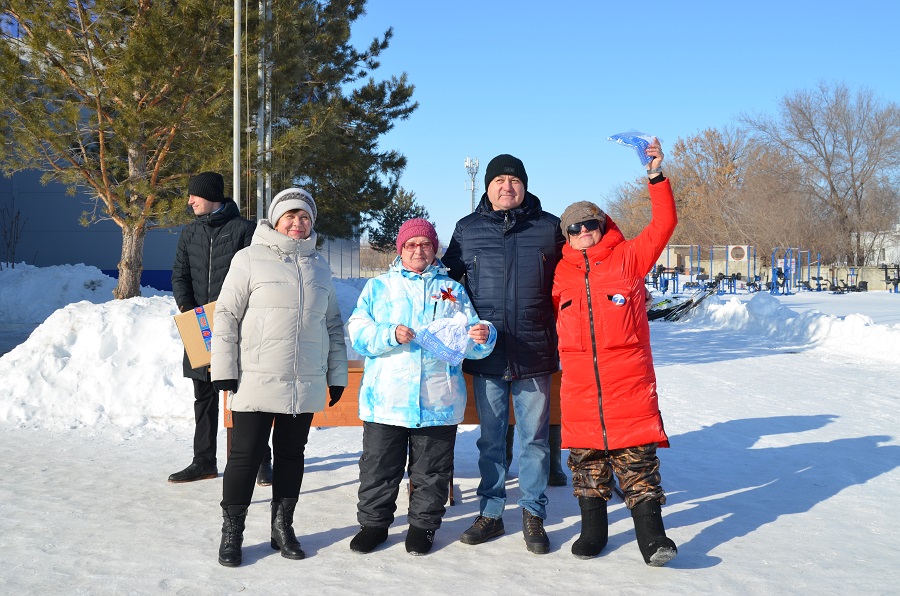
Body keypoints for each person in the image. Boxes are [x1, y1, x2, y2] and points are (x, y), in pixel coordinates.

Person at [551, 138, 678, 566]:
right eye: (574, 228)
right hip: (581, 386)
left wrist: (655, 175)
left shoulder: (629, 258)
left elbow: (664, 223)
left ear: (602, 225)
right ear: (566, 236)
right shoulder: (560, 275)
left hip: (628, 382)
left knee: (637, 461)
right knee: (586, 462)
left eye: (590, 224)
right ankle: (593, 532)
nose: (583, 232)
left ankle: (653, 537)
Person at [210, 187, 348, 567]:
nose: (297, 222)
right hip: (255, 378)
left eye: (304, 217)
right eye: (290, 216)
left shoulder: (320, 266)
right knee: (245, 456)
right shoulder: (249, 258)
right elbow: (226, 314)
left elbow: (332, 324)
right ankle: (232, 532)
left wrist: (336, 374)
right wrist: (224, 369)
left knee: (291, 456)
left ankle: (282, 527)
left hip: (304, 381)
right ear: (275, 220)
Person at [346, 218, 496, 556]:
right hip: (387, 400)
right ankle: (373, 525)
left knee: (432, 471)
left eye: (425, 244)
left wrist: (483, 336)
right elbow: (357, 332)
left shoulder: (453, 290)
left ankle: (423, 526)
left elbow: (469, 340)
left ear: (434, 249)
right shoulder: (379, 287)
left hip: (437, 400)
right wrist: (389, 334)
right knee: (379, 468)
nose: (418, 250)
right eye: (411, 244)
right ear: (400, 249)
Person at [442, 154, 564, 554]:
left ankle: (533, 513)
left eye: (514, 180)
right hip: (487, 352)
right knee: (491, 441)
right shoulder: (467, 229)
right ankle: (491, 513)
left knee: (535, 442)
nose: (506, 186)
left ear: (525, 186)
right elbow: (445, 285)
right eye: (499, 180)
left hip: (534, 351)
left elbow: (579, 272)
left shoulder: (548, 228)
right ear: (488, 186)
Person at [170, 172, 276, 485]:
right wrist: (189, 310)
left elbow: (256, 276)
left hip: (238, 328)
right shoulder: (190, 232)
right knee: (203, 398)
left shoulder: (245, 230)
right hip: (200, 327)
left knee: (246, 399)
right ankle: (203, 461)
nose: (190, 201)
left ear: (212, 196)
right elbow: (180, 275)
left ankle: (259, 460)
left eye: (195, 195)